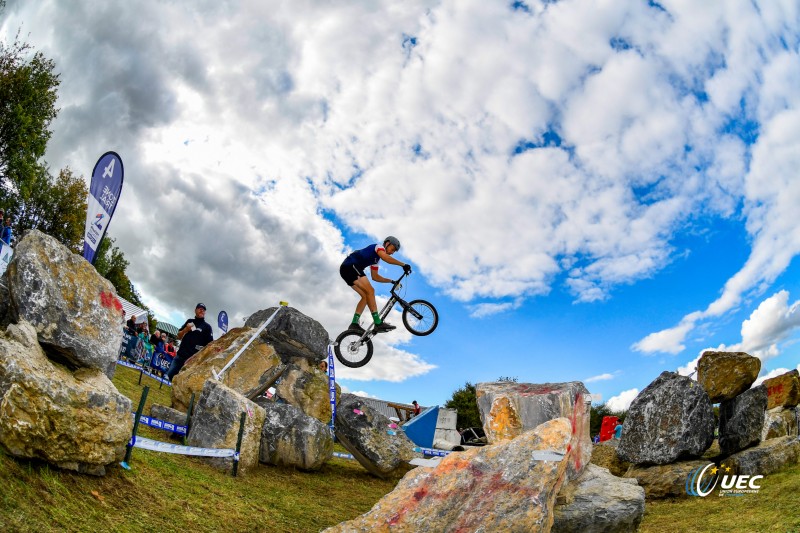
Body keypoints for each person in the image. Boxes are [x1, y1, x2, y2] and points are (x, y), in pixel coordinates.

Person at [339, 236, 411, 333]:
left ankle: (354, 324)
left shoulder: (376, 260)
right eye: (393, 249)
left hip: (346, 270)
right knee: (371, 291)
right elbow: (386, 258)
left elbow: (375, 277)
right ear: (387, 243)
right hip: (351, 266)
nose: (392, 252)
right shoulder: (378, 247)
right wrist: (403, 265)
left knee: (365, 296)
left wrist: (391, 281)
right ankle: (378, 322)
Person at [166, 303, 214, 381]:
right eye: (200, 308)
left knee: (182, 380)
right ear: (195, 310)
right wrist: (185, 330)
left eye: (204, 309)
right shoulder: (190, 321)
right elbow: (178, 336)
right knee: (170, 374)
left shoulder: (207, 327)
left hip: (191, 360)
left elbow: (209, 345)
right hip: (180, 355)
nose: (202, 310)